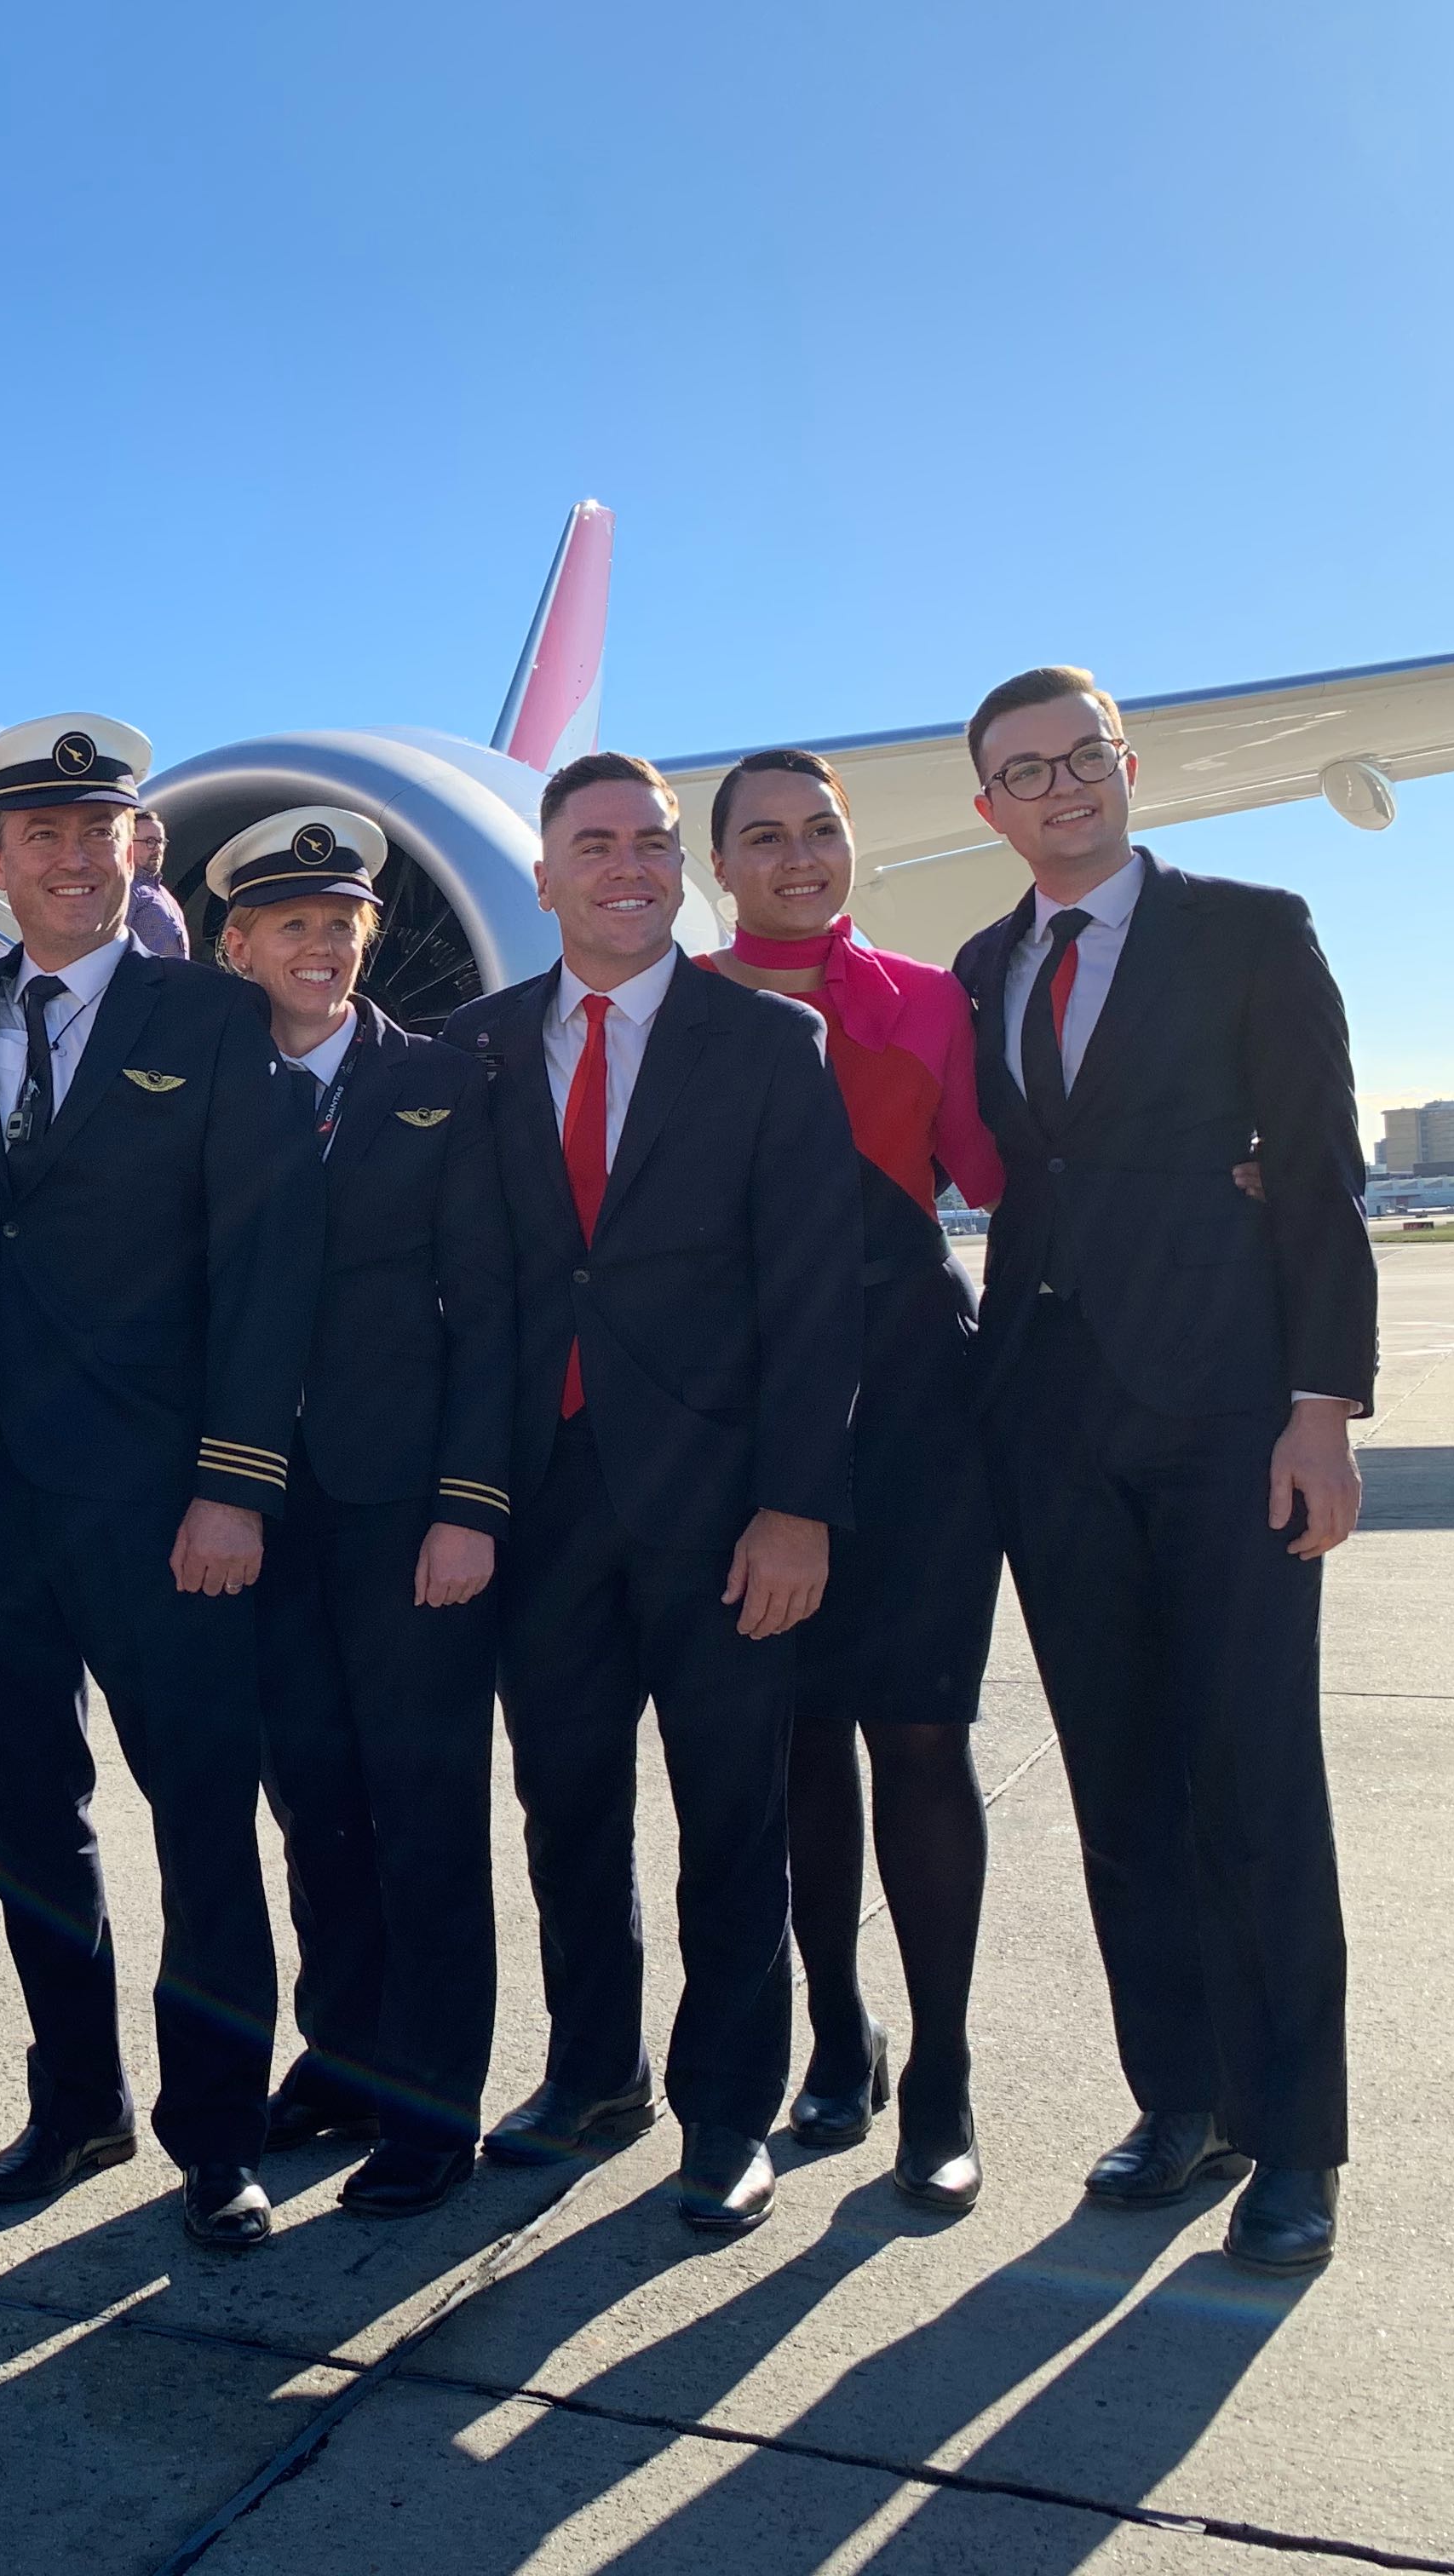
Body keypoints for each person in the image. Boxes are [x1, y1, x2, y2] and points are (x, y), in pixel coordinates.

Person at [950, 666, 1371, 2274]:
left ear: (1126, 768)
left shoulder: (1249, 927)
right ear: (986, 806)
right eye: (1021, 772)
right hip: (1049, 1422)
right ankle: (1178, 2096)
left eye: (1077, 759)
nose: (1055, 788)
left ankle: (1296, 2135)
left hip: (1225, 1415)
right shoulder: (984, 963)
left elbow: (1319, 1176)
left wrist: (1319, 1407)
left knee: (1256, 1778)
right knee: (1119, 1780)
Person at [0, 714, 321, 2250]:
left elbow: (266, 1263)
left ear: (134, 848)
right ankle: (73, 2099)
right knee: (30, 1813)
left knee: (203, 1816)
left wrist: (234, 1482)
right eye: (42, 835)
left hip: (164, 1499)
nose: (72, 859)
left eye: (100, 831)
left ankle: (216, 2132)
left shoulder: (214, 1017)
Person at [444, 750, 859, 2238]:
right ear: (542, 874)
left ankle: (727, 2108)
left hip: (723, 1511)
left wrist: (796, 1505)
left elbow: (818, 1298)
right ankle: (593, 2071)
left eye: (650, 843)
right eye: (592, 842)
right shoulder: (475, 1046)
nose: (625, 864)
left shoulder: (767, 1043)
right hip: (540, 1499)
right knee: (564, 1804)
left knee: (731, 1815)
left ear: (678, 869)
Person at [698, 750, 1002, 2214]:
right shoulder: (684, 1005)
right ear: (721, 865)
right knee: (796, 1742)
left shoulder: (927, 998)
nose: (798, 855)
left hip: (917, 1403)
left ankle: (939, 2066)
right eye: (763, 836)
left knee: (922, 1735)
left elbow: (1013, 1176)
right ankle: (837, 2026)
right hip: (750, 1408)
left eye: (819, 830)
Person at [209, 810, 513, 2219]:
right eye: (292, 926)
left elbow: (494, 1313)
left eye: (341, 926)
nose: (320, 948)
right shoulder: (208, 1083)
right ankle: (339, 2053)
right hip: (261, 1515)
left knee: (425, 1809)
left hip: (405, 1513)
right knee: (314, 1806)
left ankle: (433, 2102)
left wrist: (468, 1506)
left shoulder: (444, 1081)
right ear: (235, 944)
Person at [125, 808, 189, 960]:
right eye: (150, 842)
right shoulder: (127, 890)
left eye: (161, 842)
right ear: (128, 844)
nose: (158, 849)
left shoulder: (163, 893)